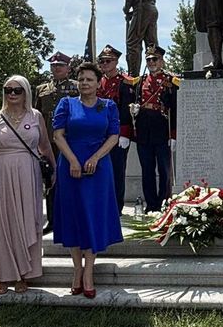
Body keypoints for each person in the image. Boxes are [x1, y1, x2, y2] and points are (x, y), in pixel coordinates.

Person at [52, 61, 123, 298]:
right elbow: (58, 135)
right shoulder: (67, 104)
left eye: (89, 79)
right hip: (70, 166)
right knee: (74, 217)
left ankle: (89, 272)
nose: (84, 83)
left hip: (98, 168)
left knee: (93, 217)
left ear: (98, 82)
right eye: (81, 79)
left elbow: (113, 136)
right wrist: (72, 160)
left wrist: (95, 157)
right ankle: (76, 270)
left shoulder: (108, 106)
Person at [0, 75, 54, 295]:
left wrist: (54, 170)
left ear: (26, 93)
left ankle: (24, 274)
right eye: (8, 90)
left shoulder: (36, 115)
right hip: (0, 173)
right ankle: (1, 277)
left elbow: (45, 145)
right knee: (1, 224)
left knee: (27, 221)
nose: (12, 94)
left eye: (17, 90)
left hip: (28, 173)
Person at [34, 51, 79, 232]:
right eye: (53, 65)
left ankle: (72, 219)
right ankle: (52, 220)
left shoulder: (76, 88)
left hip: (69, 142)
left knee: (71, 181)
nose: (56, 68)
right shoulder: (42, 89)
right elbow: (37, 116)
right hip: (48, 143)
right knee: (50, 182)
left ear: (68, 68)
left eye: (60, 65)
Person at [132, 45, 179, 213]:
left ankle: (164, 202)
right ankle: (151, 204)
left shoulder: (171, 81)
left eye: (155, 59)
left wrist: (173, 134)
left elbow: (175, 108)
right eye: (149, 60)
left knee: (164, 170)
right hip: (144, 131)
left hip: (162, 129)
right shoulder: (140, 81)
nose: (151, 62)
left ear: (162, 61)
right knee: (147, 170)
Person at [97, 44, 134, 213]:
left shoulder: (124, 82)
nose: (104, 64)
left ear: (116, 62)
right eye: (102, 61)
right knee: (101, 171)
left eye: (108, 61)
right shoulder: (99, 82)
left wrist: (124, 133)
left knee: (117, 172)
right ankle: (103, 204)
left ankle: (116, 207)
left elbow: (127, 109)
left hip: (117, 135)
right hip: (99, 135)